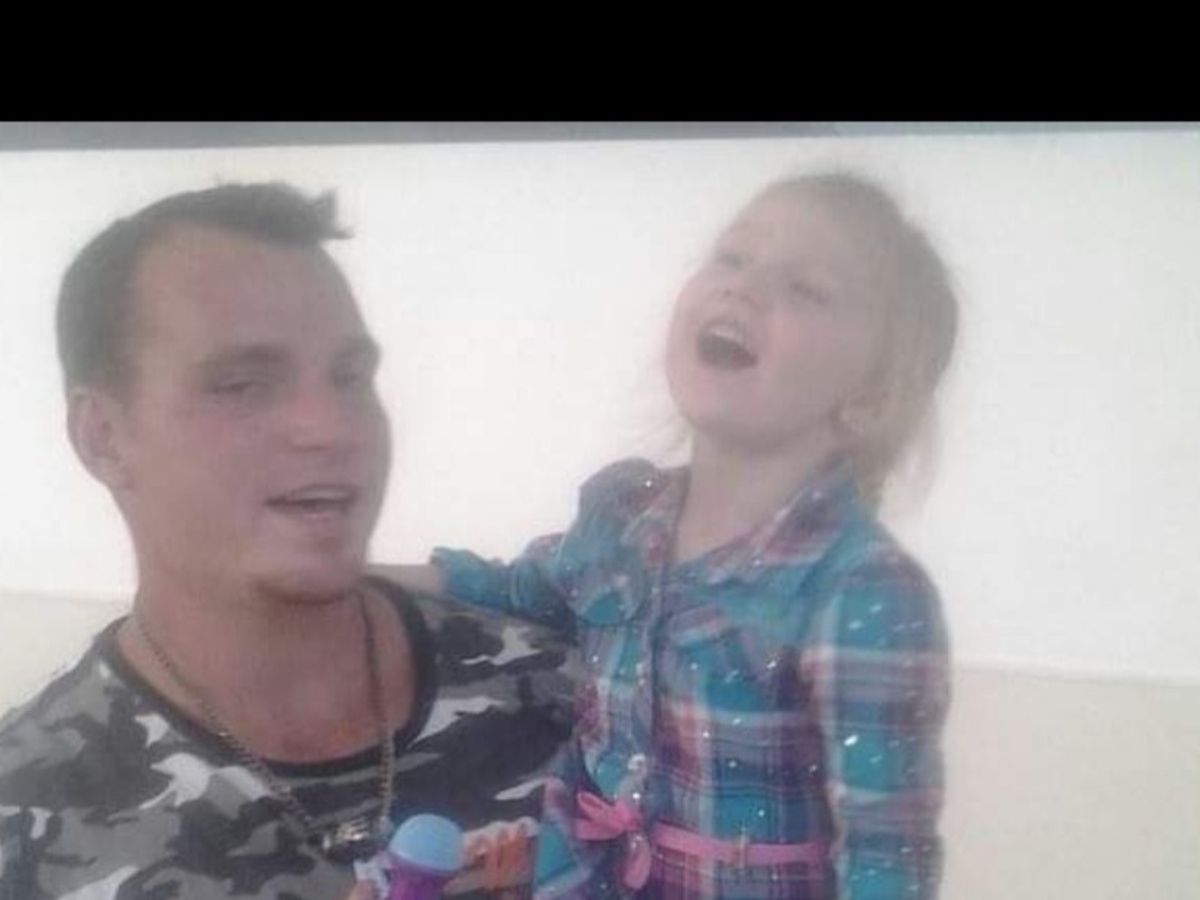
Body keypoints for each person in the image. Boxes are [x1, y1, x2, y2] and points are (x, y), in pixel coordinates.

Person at [387, 172, 957, 898]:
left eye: (807, 287)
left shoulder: (862, 589)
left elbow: (886, 862)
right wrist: (356, 573)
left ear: (869, 397)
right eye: (732, 256)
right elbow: (519, 587)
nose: (743, 287)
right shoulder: (623, 520)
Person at [0, 183, 572, 899]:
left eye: (351, 376)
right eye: (242, 385)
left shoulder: (589, 703)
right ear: (103, 438)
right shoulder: (24, 821)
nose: (331, 426)